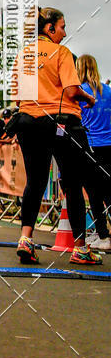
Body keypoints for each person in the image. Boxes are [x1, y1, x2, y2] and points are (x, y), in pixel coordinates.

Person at [14, 7, 102, 266]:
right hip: (61, 123)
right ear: (49, 28)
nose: (65, 32)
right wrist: (89, 98)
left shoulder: (23, 55)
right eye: (62, 26)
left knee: (35, 181)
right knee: (73, 183)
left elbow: (18, 97)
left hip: (28, 121)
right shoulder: (61, 52)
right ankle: (80, 249)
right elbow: (72, 90)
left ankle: (25, 239)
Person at [76, 54, 111, 251]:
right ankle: (103, 235)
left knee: (94, 193)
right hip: (109, 144)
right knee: (109, 191)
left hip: (90, 146)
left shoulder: (80, 92)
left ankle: (103, 235)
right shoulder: (109, 91)